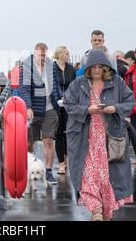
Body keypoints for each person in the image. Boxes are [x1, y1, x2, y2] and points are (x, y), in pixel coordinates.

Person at [64, 49, 135, 221]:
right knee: (87, 174)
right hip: (84, 137)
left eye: (100, 67)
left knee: (106, 177)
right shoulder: (79, 83)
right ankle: (96, 211)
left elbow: (130, 101)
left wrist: (115, 109)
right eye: (93, 67)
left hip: (108, 137)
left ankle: (105, 211)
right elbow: (68, 103)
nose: (97, 70)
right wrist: (87, 110)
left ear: (106, 68)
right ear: (88, 68)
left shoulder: (116, 82)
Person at [19, 42, 63, 184]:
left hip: (50, 108)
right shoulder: (26, 67)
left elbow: (55, 84)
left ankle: (49, 172)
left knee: (48, 140)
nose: (42, 57)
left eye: (44, 54)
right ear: (34, 53)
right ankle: (28, 169)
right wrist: (28, 107)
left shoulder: (51, 65)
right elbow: (24, 89)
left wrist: (59, 97)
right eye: (40, 55)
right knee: (29, 142)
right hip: (34, 109)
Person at [53, 46, 76, 175]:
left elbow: (74, 85)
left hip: (68, 104)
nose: (68, 55)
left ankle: (68, 159)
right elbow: (51, 86)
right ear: (60, 54)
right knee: (59, 134)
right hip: (56, 105)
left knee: (69, 132)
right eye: (67, 53)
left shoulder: (71, 69)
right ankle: (61, 163)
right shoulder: (52, 69)